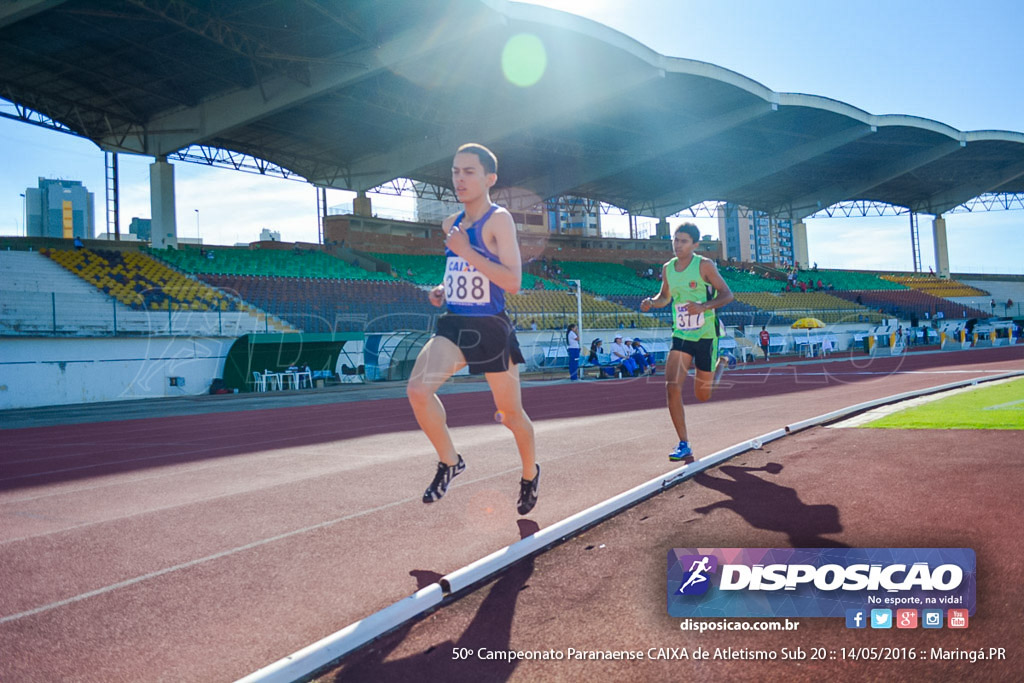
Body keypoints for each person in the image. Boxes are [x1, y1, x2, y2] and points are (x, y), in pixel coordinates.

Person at [406, 144, 539, 515]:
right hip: (456, 323)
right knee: (417, 389)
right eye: (455, 171)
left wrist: (466, 251)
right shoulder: (451, 225)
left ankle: (530, 474)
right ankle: (450, 461)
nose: (459, 179)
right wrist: (443, 288)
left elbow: (512, 282)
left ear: (489, 179)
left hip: (491, 327)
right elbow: (464, 273)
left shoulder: (499, 220)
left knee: (511, 415)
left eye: (468, 172)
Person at [640, 223, 734, 461]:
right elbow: (665, 297)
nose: (678, 245)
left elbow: (727, 294)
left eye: (683, 241)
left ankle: (721, 364)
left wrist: (703, 306)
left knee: (703, 395)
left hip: (705, 335)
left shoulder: (704, 265)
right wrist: (652, 301)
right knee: (672, 386)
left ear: (695, 245)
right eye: (675, 240)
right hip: (681, 334)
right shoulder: (668, 268)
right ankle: (684, 443)